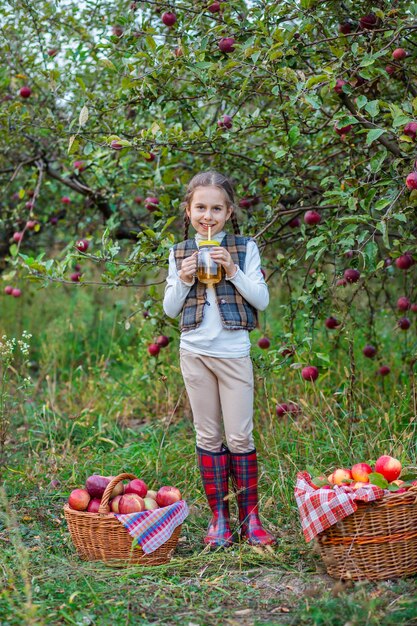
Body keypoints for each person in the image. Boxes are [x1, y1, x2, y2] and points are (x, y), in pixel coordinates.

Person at [163, 170, 275, 548]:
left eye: (215, 208)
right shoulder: (179, 252)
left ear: (228, 212)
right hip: (194, 352)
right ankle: (219, 519)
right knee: (208, 435)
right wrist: (183, 277)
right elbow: (169, 309)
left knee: (240, 435)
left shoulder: (245, 248)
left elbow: (261, 299)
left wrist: (233, 270)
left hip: (233, 353)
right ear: (189, 210)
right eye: (200, 208)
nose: (207, 216)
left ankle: (251, 519)